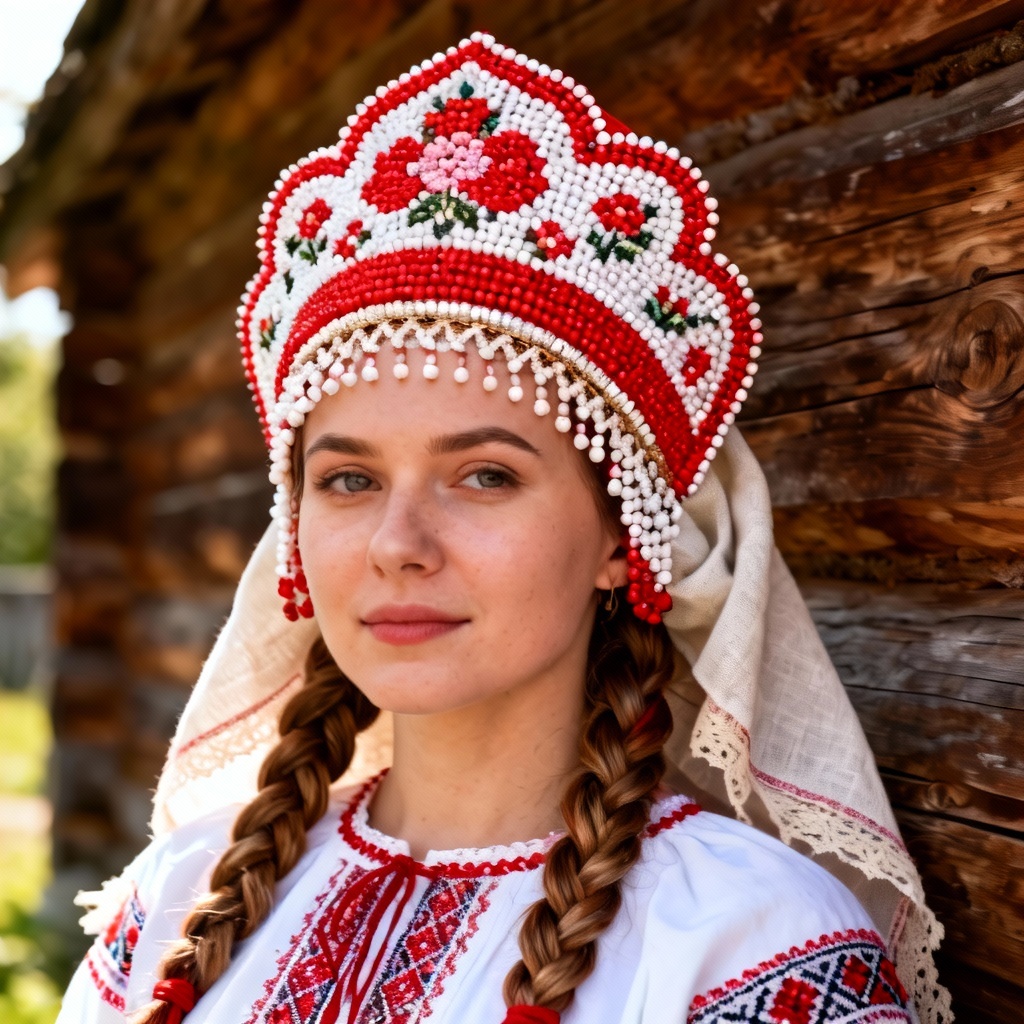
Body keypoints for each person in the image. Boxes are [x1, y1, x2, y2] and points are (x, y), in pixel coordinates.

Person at [56, 34, 950, 1024]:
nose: (399, 542)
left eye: (484, 475)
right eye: (348, 478)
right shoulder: (183, 895)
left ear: (623, 538)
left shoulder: (747, 943)